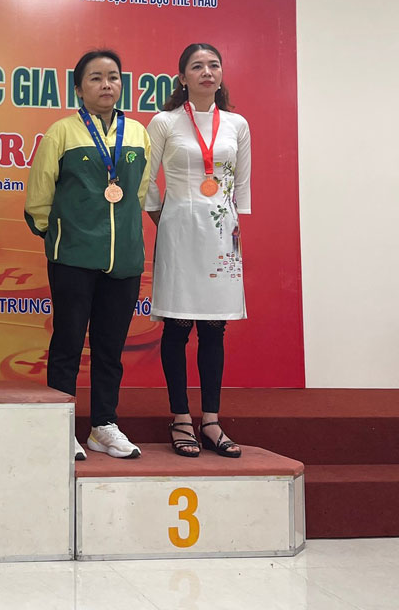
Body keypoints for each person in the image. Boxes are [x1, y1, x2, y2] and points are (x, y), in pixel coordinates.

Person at [25, 50, 152, 461]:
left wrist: (123, 234)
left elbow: (138, 192)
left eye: (113, 77)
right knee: (67, 343)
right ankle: (60, 428)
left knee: (110, 348)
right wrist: (59, 237)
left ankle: (103, 426)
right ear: (79, 89)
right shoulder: (61, 132)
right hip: (74, 257)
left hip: (124, 259)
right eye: (95, 78)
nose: (106, 84)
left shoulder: (138, 134)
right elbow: (39, 196)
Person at [144, 43, 251, 458]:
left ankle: (210, 420)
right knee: (177, 327)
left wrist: (231, 224)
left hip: (222, 234)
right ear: (182, 77)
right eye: (197, 66)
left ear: (221, 74)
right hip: (178, 231)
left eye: (214, 65)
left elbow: (241, 186)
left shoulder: (237, 124)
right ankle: (180, 418)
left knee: (214, 329)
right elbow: (147, 181)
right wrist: (166, 219)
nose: (207, 71)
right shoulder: (164, 122)